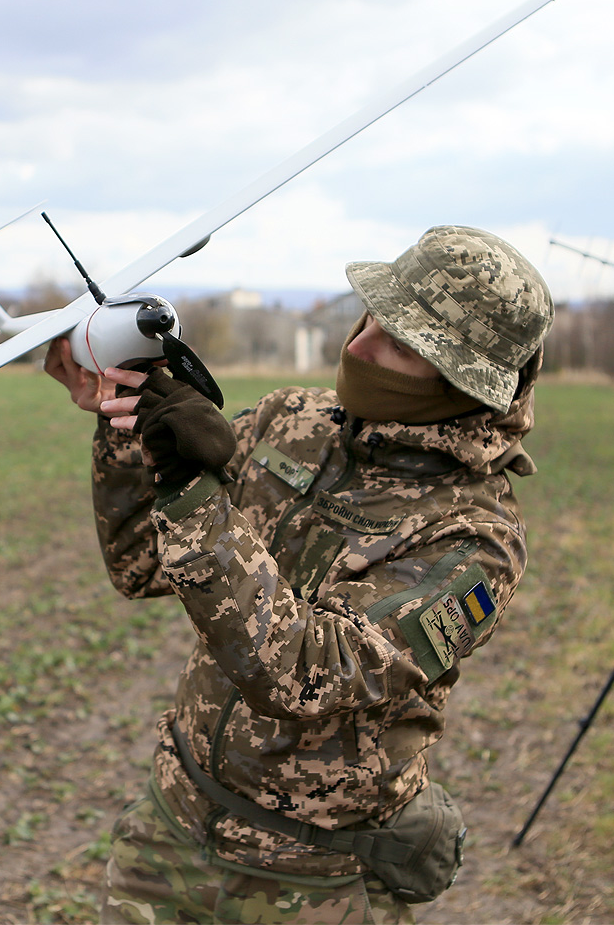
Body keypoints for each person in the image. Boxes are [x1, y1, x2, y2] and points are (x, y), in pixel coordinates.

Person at [44, 224, 554, 924]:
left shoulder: (475, 542)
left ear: (464, 382)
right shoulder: (294, 420)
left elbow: (303, 670)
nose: (359, 345)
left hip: (310, 882)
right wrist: (133, 420)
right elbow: (138, 562)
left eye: (400, 344)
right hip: (170, 834)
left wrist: (190, 486)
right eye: (372, 315)